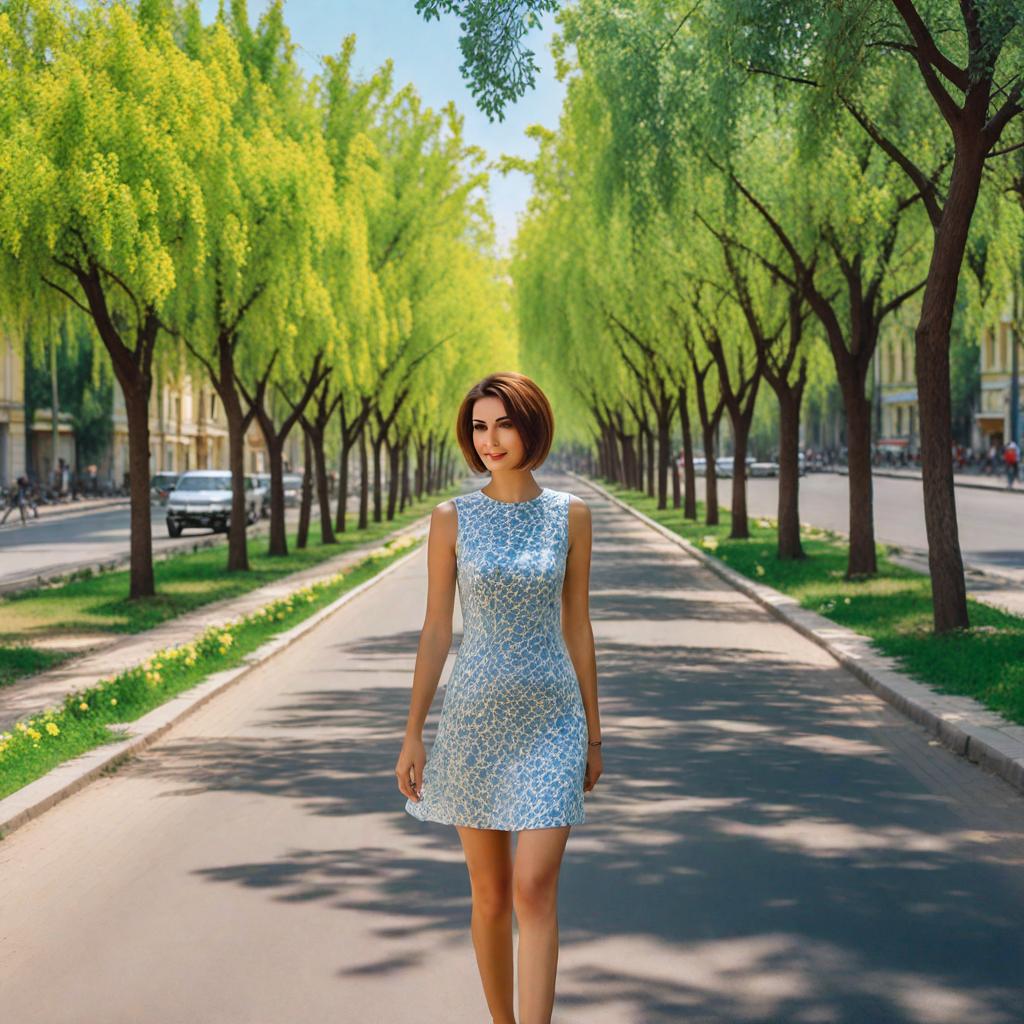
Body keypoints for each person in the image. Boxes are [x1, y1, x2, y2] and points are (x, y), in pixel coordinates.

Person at [395, 371, 603, 1024]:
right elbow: (435, 630)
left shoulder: (571, 515)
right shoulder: (451, 518)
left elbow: (578, 625)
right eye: (480, 427)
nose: (490, 440)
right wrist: (412, 732)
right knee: (488, 895)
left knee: (533, 887)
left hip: (553, 721)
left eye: (504, 424)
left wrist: (595, 735)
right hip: (474, 721)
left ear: (532, 426)